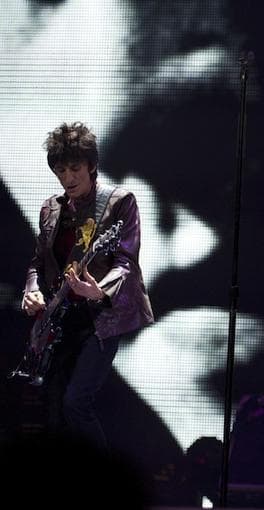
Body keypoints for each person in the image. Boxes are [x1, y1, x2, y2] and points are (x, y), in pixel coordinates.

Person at [20, 122, 154, 451]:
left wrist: (99, 290)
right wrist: (31, 289)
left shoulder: (119, 202)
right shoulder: (51, 209)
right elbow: (38, 262)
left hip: (102, 319)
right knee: (52, 408)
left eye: (75, 168)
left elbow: (126, 262)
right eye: (61, 171)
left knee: (76, 402)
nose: (68, 178)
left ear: (92, 165)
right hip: (61, 320)